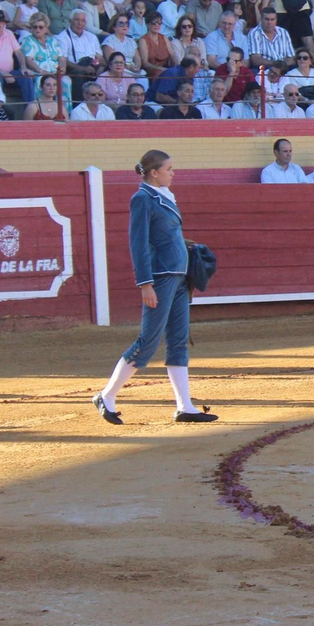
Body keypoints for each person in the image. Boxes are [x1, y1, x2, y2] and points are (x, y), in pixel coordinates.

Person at [93, 150, 214, 424]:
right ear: (154, 172)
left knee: (178, 340)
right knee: (148, 341)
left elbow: (166, 236)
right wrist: (145, 283)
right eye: (169, 169)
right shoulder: (142, 198)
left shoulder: (164, 195)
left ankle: (185, 406)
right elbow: (138, 243)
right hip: (159, 278)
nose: (173, 173)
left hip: (179, 276)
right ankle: (106, 396)